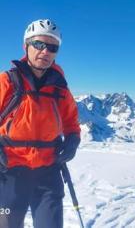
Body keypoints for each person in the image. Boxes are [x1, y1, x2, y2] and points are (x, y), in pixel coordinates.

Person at [0, 19, 81, 228]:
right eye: (39, 44)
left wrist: (72, 141)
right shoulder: (7, 82)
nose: (45, 51)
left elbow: (71, 121)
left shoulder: (60, 89)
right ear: (25, 46)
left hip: (48, 172)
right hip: (9, 172)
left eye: (52, 47)